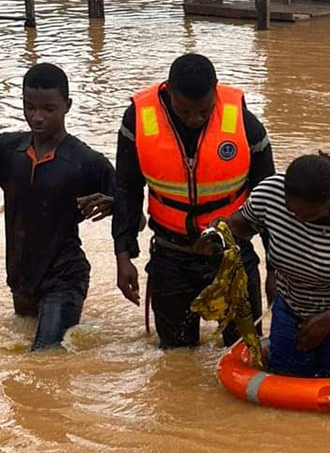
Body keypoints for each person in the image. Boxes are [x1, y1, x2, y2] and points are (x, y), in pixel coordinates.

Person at [112, 53, 274, 348]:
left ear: (215, 90)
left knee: (245, 350)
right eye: (185, 111)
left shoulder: (245, 124)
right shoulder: (138, 120)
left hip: (232, 257)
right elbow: (126, 189)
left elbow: (269, 200)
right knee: (175, 359)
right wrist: (123, 256)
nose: (195, 119)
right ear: (168, 91)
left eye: (203, 111)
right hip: (170, 256)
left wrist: (275, 268)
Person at [222, 152, 330, 378]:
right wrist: (221, 231)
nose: (298, 218)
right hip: (293, 307)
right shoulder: (269, 194)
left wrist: (329, 319)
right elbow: (243, 225)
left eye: (309, 215)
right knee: (284, 379)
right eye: (292, 210)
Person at [0, 64, 115, 350]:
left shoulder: (86, 162)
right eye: (30, 108)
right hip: (22, 277)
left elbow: (135, 220)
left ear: (67, 106)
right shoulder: (7, 150)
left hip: (65, 276)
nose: (37, 117)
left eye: (49, 109)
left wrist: (113, 205)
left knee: (44, 357)